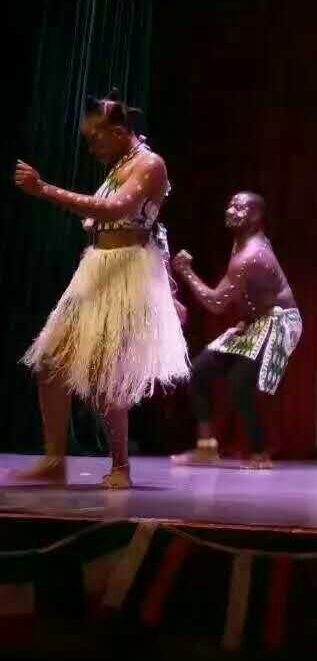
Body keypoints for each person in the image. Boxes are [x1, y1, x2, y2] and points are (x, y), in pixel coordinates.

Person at [12, 91, 189, 488]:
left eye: (96, 138)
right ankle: (54, 460)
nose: (91, 147)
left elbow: (114, 210)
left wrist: (45, 190)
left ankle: (121, 466)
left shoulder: (150, 164)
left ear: (120, 132)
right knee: (50, 361)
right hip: (97, 268)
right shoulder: (119, 165)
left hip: (127, 272)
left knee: (106, 373)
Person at [170, 192, 302, 469]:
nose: (231, 211)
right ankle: (206, 448)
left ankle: (259, 453)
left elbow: (216, 303)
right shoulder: (242, 242)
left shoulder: (250, 255)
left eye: (240, 208)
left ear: (256, 216)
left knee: (239, 382)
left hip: (279, 320)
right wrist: (245, 318)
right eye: (230, 205)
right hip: (255, 319)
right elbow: (250, 291)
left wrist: (186, 271)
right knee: (200, 371)